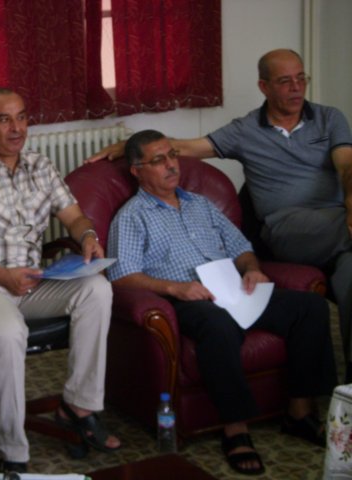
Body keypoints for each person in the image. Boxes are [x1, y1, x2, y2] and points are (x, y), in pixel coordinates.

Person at [87, 48, 352, 371]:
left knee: (344, 278)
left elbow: (347, 166)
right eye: (285, 81)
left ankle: (332, 390)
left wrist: (350, 202)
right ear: (264, 86)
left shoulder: (329, 118)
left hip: (338, 222)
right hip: (289, 228)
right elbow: (187, 146)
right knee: (218, 323)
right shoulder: (245, 131)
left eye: (301, 79)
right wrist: (126, 148)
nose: (296, 88)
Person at [106, 130, 337, 475]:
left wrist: (253, 269)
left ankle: (299, 413)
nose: (171, 165)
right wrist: (176, 288)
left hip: (233, 289)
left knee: (310, 307)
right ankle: (236, 428)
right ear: (137, 171)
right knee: (218, 324)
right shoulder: (132, 216)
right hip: (186, 299)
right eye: (159, 160)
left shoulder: (200, 204)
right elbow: (122, 275)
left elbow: (240, 247)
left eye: (172, 155)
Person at [0, 87, 120, 473]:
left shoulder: (41, 166)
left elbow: (74, 216)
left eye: (21, 117)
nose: (16, 128)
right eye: (4, 119)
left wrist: (88, 236)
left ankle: (79, 406)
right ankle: (14, 450)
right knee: (8, 332)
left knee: (97, 289)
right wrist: (0, 274)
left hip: (33, 279)